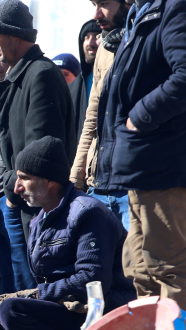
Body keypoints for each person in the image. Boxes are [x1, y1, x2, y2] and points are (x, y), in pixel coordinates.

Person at [94, 0, 186, 319]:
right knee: (140, 269)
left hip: (164, 163)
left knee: (168, 268)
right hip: (142, 164)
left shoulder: (182, 6)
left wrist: (139, 117)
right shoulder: (146, 10)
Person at [0, 137, 135, 330]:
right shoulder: (39, 220)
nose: (16, 187)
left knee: (11, 311)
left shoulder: (88, 212)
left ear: (49, 180)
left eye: (24, 178)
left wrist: (35, 295)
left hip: (93, 313)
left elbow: (93, 279)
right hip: (61, 311)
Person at [0, 0, 76, 301]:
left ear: (12, 35)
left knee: (24, 302)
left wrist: (12, 191)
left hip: (19, 208)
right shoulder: (1, 88)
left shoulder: (41, 75)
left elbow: (43, 150)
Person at [70, 0, 132, 229]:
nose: (96, 14)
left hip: (133, 186)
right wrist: (76, 178)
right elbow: (92, 120)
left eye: (104, 3)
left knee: (135, 264)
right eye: (94, 4)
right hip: (98, 183)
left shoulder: (146, 38)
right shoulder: (105, 50)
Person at [69, 21, 102, 135]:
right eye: (86, 37)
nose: (90, 43)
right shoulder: (74, 88)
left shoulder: (115, 78)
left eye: (97, 36)